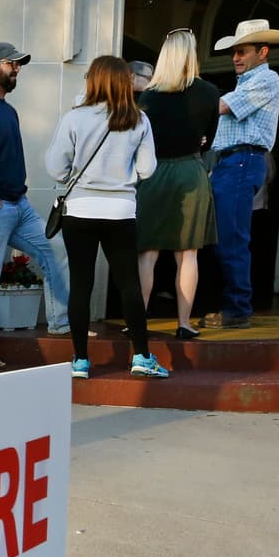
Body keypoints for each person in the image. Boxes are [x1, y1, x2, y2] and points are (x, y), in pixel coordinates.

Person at [45, 55, 167, 380]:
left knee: (82, 285)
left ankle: (81, 361)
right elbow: (147, 169)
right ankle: (141, 355)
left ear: (94, 80)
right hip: (120, 211)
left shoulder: (74, 118)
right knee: (128, 283)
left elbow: (56, 168)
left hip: (81, 210)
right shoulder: (139, 120)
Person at [0, 42, 69, 369]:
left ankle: (62, 322)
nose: (17, 69)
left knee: (54, 249)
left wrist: (16, 197)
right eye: (11, 64)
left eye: (19, 65)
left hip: (19, 206)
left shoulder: (8, 110)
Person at [136, 27, 220, 340]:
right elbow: (207, 139)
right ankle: (184, 323)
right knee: (188, 254)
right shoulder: (210, 92)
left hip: (155, 172)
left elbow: (140, 140)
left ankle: (139, 320)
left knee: (148, 252)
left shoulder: (148, 97)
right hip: (190, 171)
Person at [205, 18, 279, 329]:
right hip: (230, 163)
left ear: (262, 52)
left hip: (242, 162)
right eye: (234, 52)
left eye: (243, 51)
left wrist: (187, 99)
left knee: (233, 239)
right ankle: (231, 305)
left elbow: (222, 108)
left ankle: (238, 309)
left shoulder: (267, 81)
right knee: (224, 239)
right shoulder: (246, 83)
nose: (236, 57)